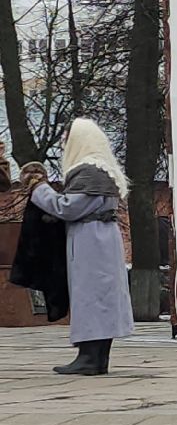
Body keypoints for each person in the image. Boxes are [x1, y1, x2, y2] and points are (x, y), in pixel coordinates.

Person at [20, 119, 136, 376]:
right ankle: (96, 358)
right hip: (101, 239)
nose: (64, 143)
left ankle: (89, 358)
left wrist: (39, 188)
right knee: (101, 297)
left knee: (91, 297)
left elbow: (68, 208)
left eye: (67, 137)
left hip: (90, 242)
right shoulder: (102, 170)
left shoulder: (89, 171)